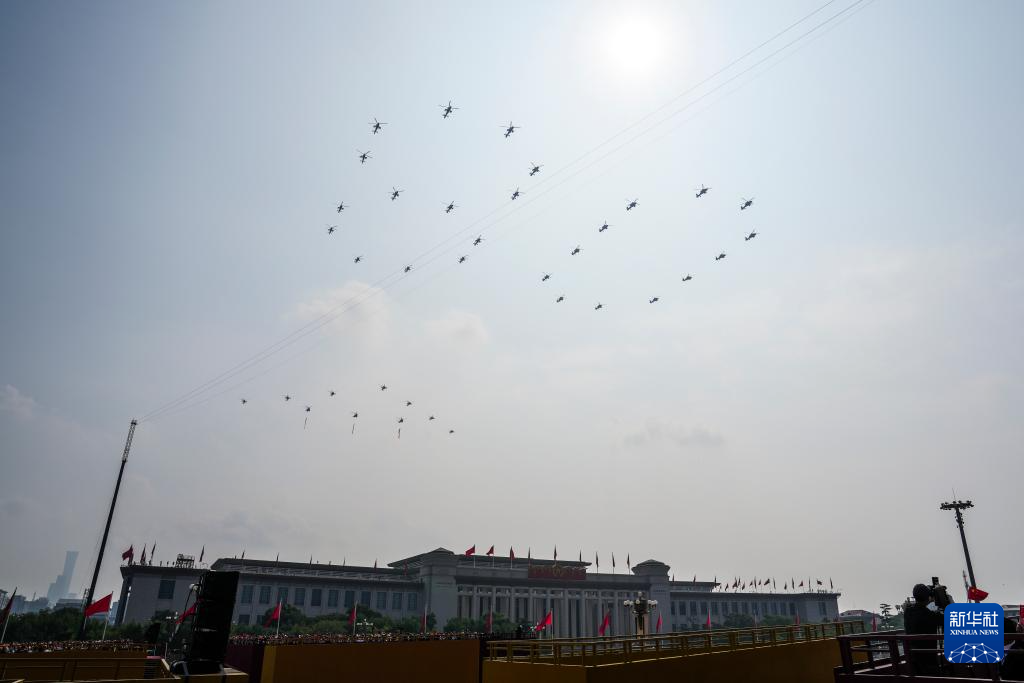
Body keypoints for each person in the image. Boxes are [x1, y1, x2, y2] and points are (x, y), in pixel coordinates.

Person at [902, 583, 951, 676]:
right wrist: (946, 600)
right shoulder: (927, 615)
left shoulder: (908, 611)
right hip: (928, 660)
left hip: (913, 657)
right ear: (928, 597)